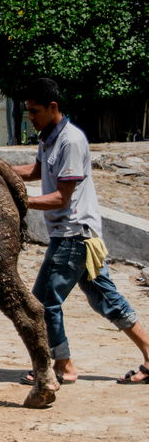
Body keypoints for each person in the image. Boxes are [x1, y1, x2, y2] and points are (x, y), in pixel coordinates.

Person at [13, 78, 149, 385]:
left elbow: (61, 197)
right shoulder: (48, 137)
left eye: (35, 112)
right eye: (28, 112)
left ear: (53, 108)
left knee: (43, 302)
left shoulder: (71, 141)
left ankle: (64, 366)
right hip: (80, 237)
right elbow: (36, 171)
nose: (31, 118)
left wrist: (19, 199)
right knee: (108, 300)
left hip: (73, 237)